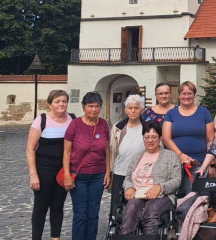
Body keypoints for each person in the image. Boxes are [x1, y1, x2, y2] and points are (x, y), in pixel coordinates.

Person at [26, 90, 75, 240]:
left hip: (63, 171)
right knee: (41, 207)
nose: (61, 104)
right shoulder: (41, 120)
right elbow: (30, 149)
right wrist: (33, 175)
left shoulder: (72, 119)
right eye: (57, 101)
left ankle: (56, 238)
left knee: (58, 206)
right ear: (50, 104)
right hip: (44, 170)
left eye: (64, 101)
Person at [62, 92, 110, 240]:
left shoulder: (103, 124)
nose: (94, 110)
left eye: (97, 106)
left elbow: (107, 150)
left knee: (94, 212)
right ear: (83, 107)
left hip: (98, 176)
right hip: (79, 175)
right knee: (81, 213)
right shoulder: (75, 124)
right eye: (90, 106)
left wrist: (107, 172)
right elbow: (66, 151)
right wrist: (66, 175)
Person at [119, 121, 182, 235]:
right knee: (131, 208)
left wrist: (160, 187)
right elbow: (128, 177)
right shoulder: (137, 157)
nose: (150, 140)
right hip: (138, 195)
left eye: (154, 137)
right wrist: (128, 187)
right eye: (147, 137)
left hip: (163, 196)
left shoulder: (170, 156)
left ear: (160, 138)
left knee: (151, 209)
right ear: (143, 138)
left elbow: (176, 180)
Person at [162, 81, 214, 196]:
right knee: (174, 197)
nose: (186, 96)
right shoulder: (171, 113)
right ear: (179, 95)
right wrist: (180, 155)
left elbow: (211, 140)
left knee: (195, 197)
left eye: (189, 93)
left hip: (199, 163)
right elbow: (166, 138)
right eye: (183, 93)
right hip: (176, 163)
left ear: (194, 95)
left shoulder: (204, 112)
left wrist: (211, 165)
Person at [109, 95, 146, 218]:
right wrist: (110, 171)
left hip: (140, 174)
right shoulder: (118, 127)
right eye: (130, 108)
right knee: (116, 206)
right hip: (120, 171)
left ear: (142, 110)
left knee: (137, 206)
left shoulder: (147, 127)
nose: (133, 110)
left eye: (136, 108)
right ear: (125, 110)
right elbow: (112, 150)